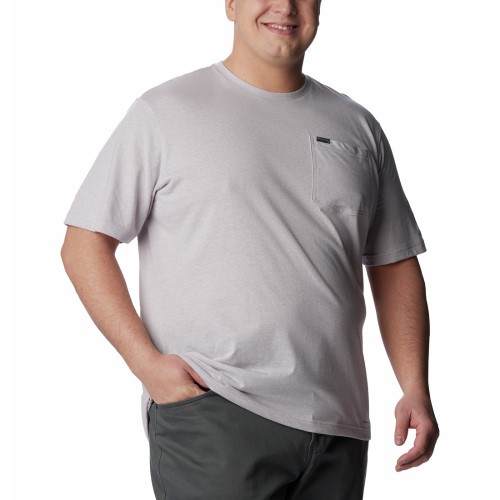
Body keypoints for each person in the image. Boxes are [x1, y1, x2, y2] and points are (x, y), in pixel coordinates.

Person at [60, 0, 439, 498]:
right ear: (231, 4)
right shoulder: (166, 112)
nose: (285, 6)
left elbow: (393, 264)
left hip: (339, 425)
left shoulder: (357, 125)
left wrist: (415, 387)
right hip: (215, 407)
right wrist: (146, 365)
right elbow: (84, 243)